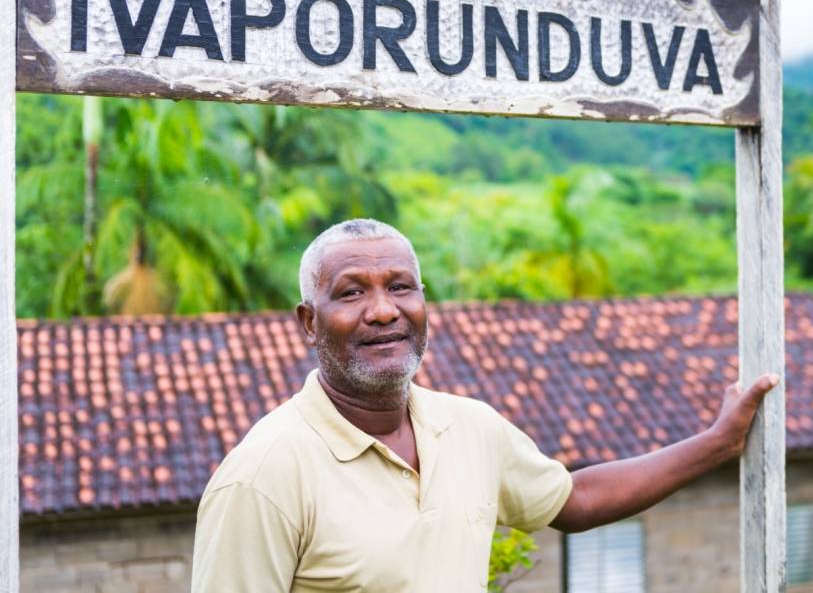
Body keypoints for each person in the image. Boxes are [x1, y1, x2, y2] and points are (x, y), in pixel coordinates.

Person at [191, 218, 778, 592]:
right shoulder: (263, 477)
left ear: (424, 302)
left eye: (400, 286)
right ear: (309, 323)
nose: (382, 310)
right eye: (351, 293)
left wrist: (718, 442)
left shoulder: (469, 427)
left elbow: (577, 500)